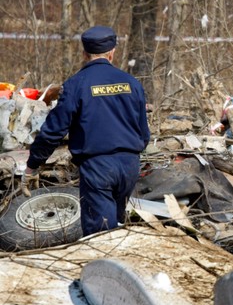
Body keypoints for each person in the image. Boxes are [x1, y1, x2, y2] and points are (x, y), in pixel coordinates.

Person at [22, 25, 150, 236]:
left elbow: (53, 130)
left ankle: (102, 267)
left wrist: (32, 165)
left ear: (84, 54)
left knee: (100, 234)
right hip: (130, 165)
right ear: (112, 52)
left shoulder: (76, 84)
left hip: (98, 167)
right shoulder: (132, 83)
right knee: (116, 227)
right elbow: (144, 131)